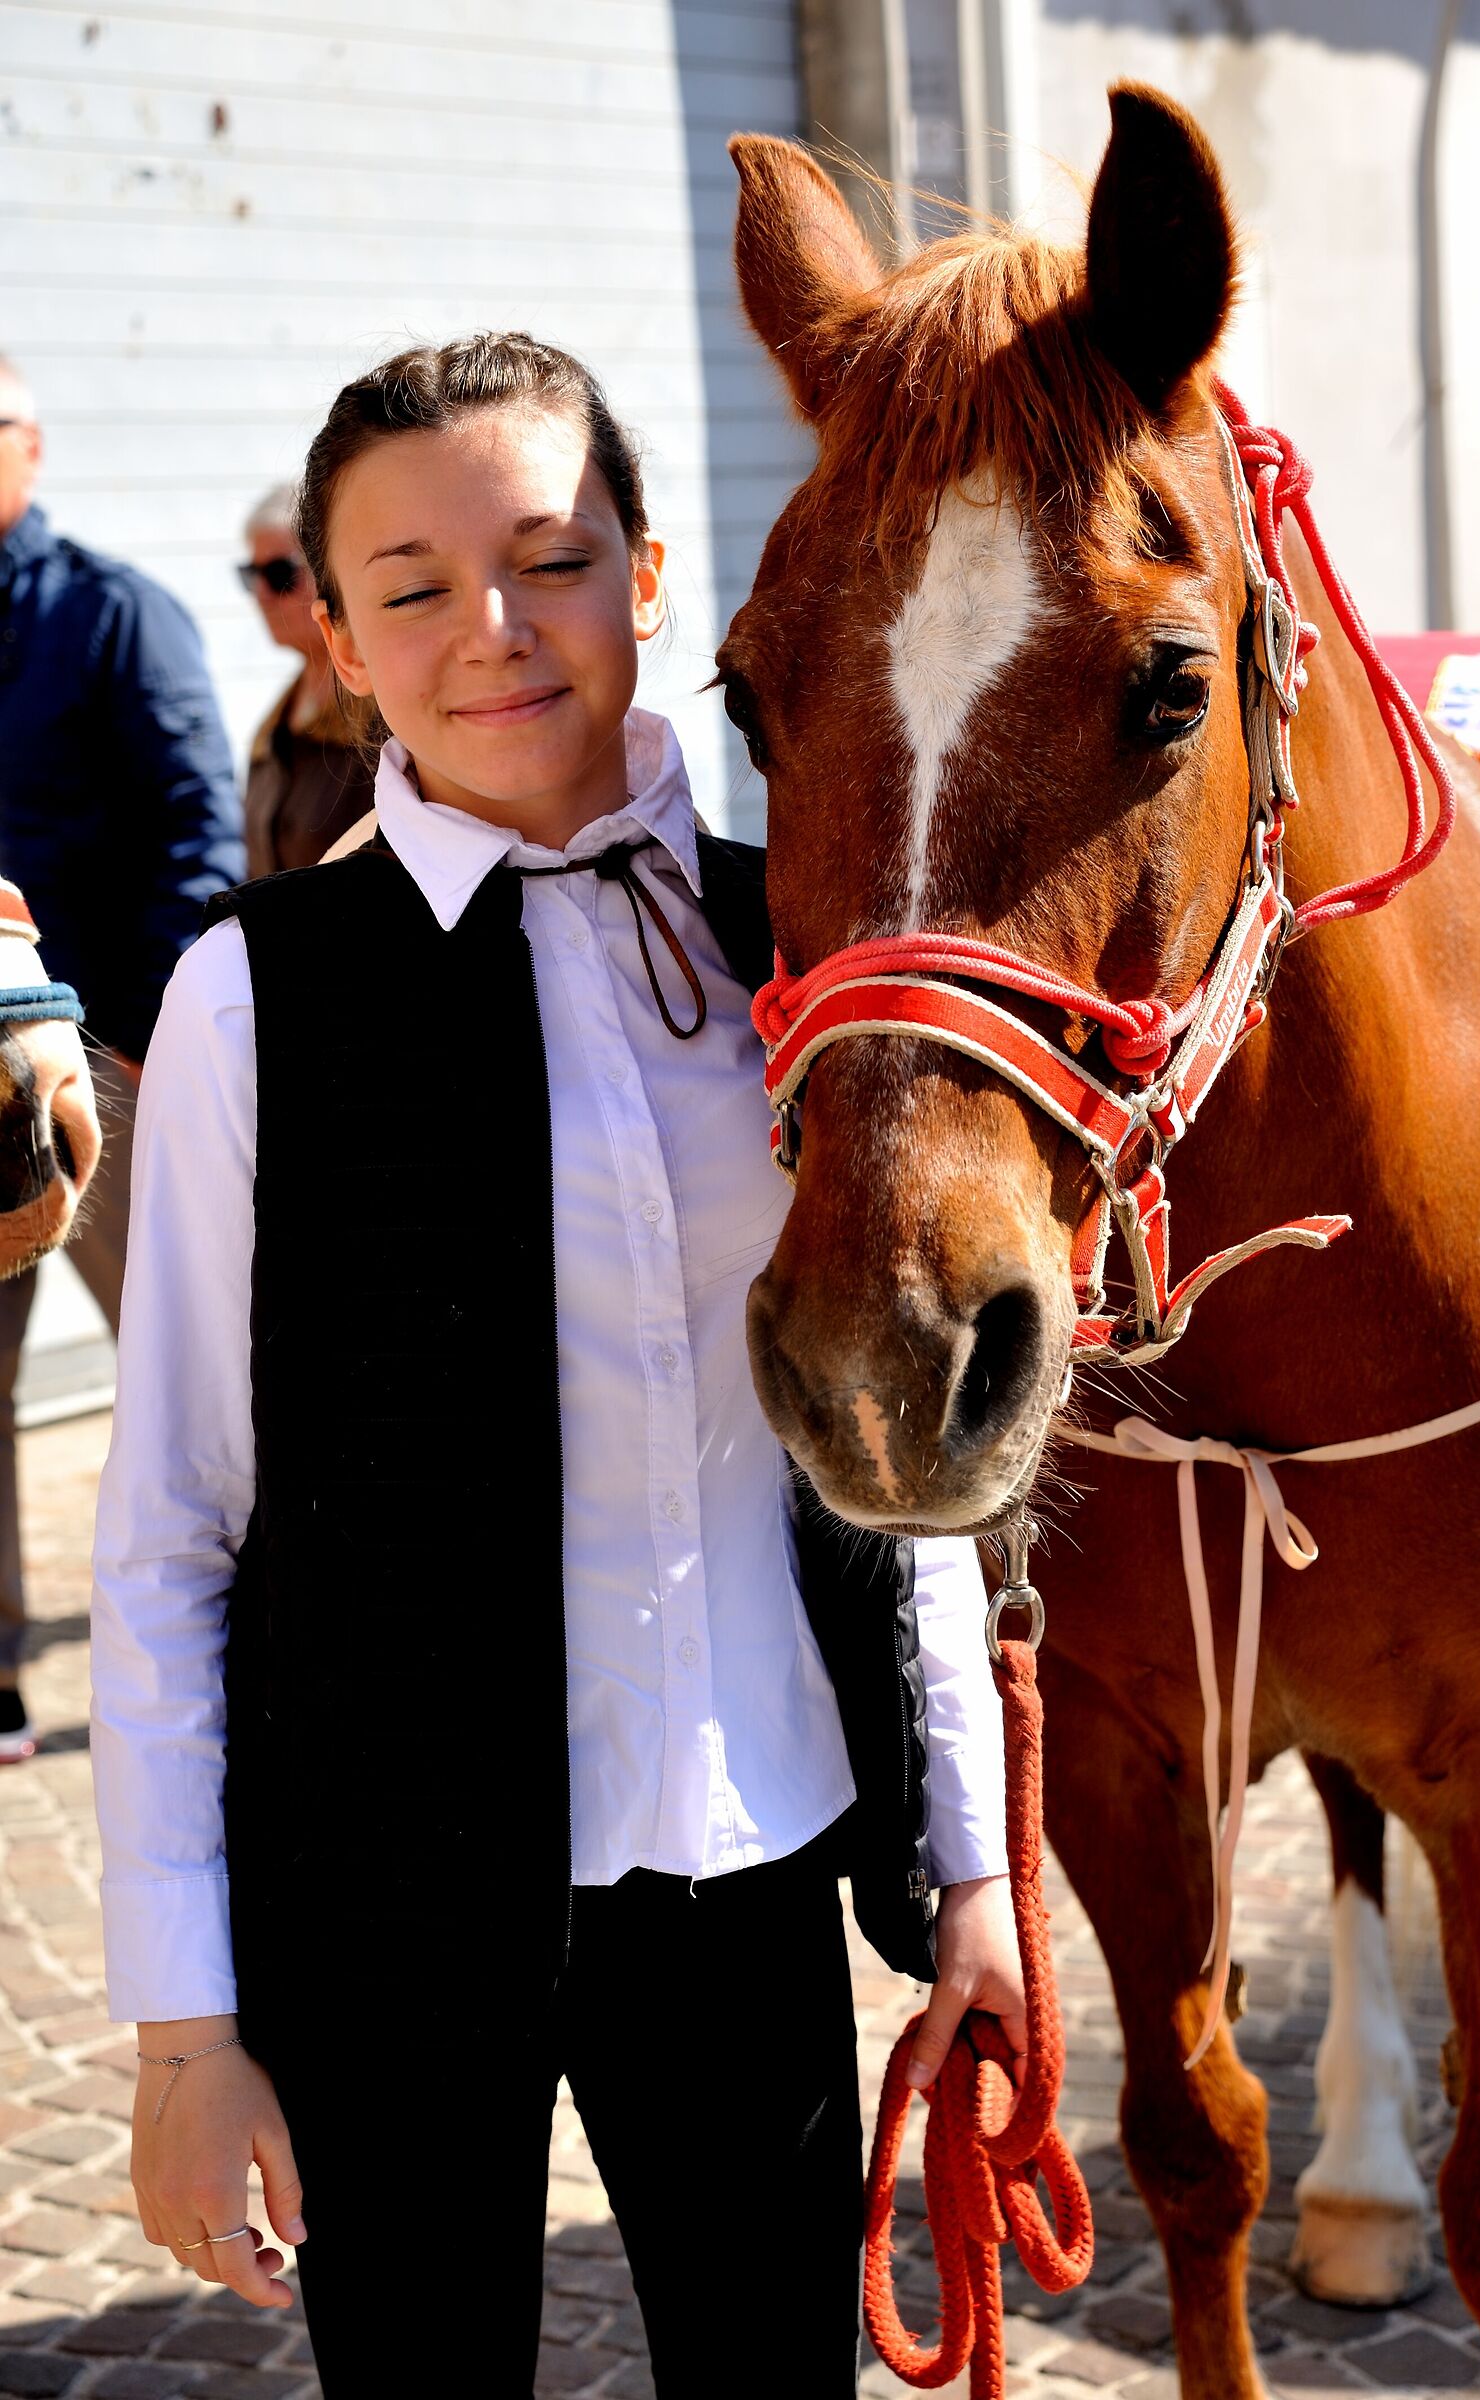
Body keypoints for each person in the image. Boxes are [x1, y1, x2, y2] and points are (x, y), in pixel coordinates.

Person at [90, 334, 1020, 2396]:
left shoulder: (803, 950)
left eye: (549, 558)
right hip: (386, 1901)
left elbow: (894, 1445)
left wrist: (970, 1870)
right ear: (329, 634)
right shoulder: (258, 996)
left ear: (652, 573)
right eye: (407, 584)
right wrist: (184, 2034)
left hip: (750, 1859)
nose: (490, 633)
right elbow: (171, 1531)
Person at [0, 350, 240, 1762]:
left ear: (27, 441)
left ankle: (234, 1624)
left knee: (183, 1357)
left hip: (104, 1061)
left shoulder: (113, 614)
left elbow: (196, 831)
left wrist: (151, 1050)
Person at [237, 485, 370, 877]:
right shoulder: (279, 718)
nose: (260, 594)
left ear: (332, 573)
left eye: (279, 574)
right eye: (251, 575)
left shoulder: (386, 717)